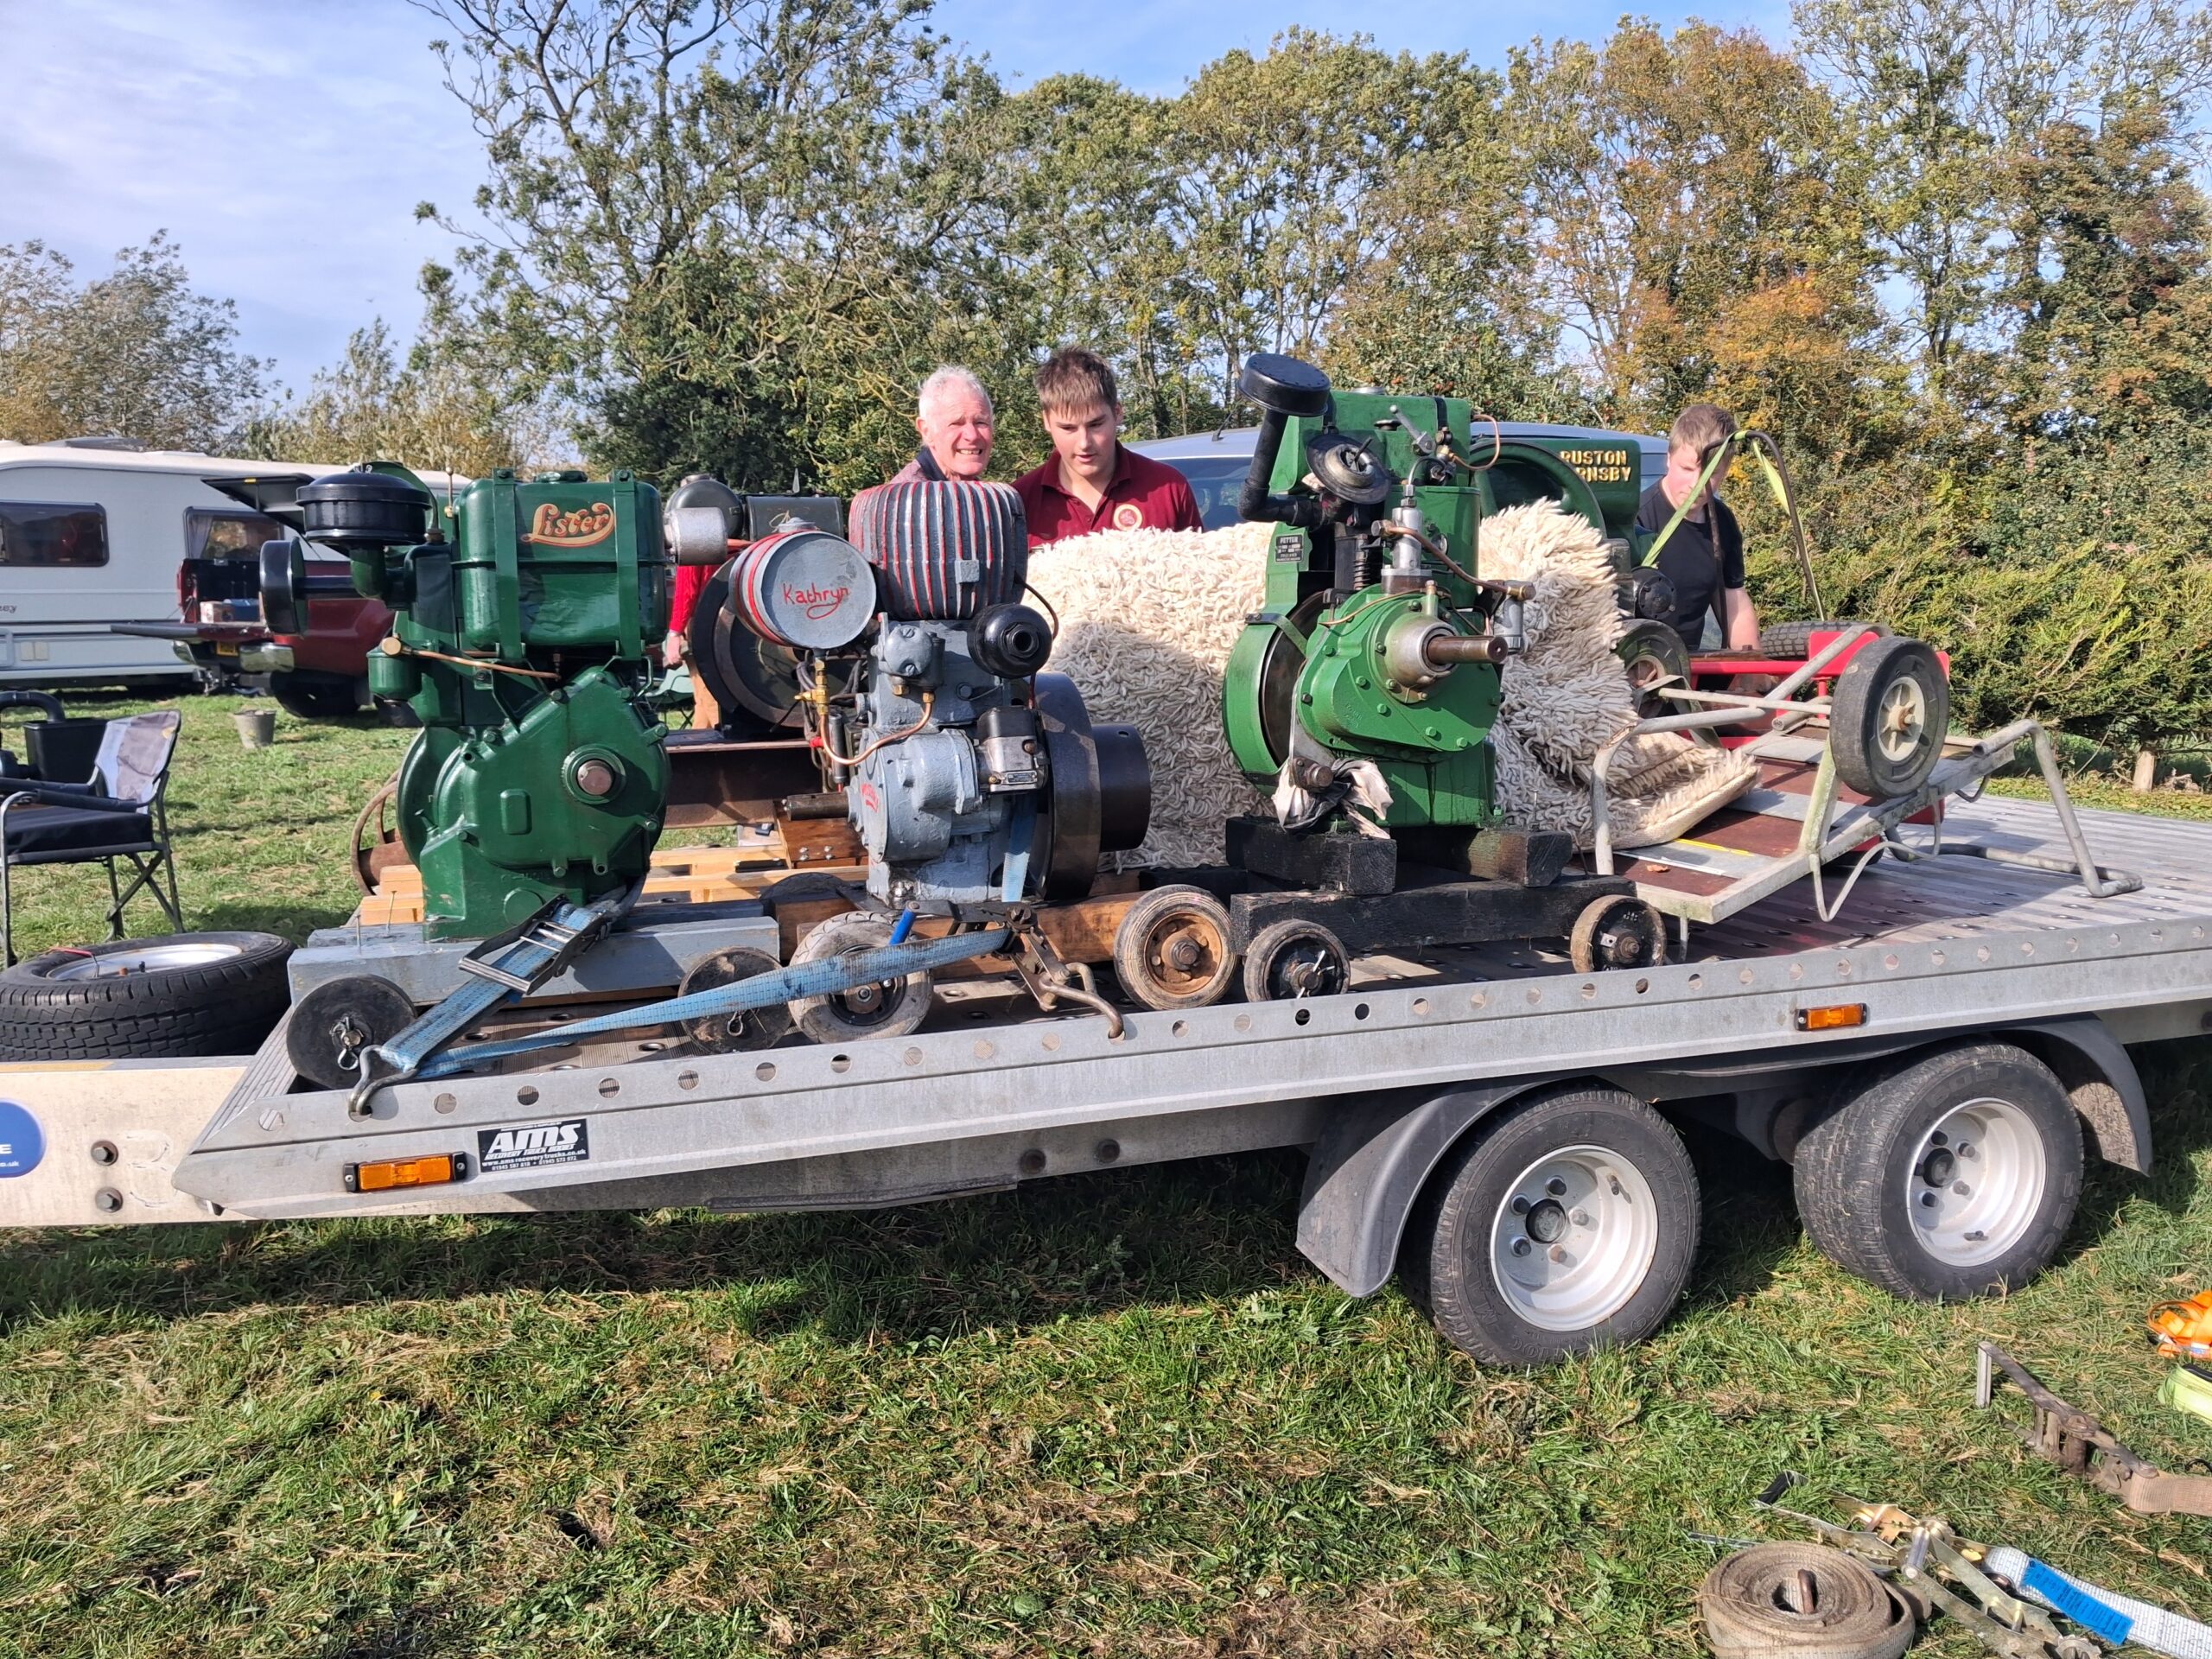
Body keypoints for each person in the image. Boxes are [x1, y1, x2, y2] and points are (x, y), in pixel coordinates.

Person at [1013, 347, 1201, 546]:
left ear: (1117, 412)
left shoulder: (1169, 488)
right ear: (1047, 421)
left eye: (1095, 425)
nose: (1084, 443)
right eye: (1068, 428)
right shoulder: (1019, 503)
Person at [1636, 404, 1759, 651]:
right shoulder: (1636, 520)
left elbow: (1734, 604)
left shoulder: (1722, 522)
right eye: (1687, 469)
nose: (1696, 484)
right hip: (1638, 666)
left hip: (1696, 673)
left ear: (1725, 470)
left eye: (1710, 474)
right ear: (1669, 459)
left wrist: (1752, 672)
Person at [892, 365, 996, 483]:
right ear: (926, 431)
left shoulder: (981, 495)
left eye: (980, 422)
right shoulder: (907, 498)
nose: (972, 435)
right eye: (957, 423)